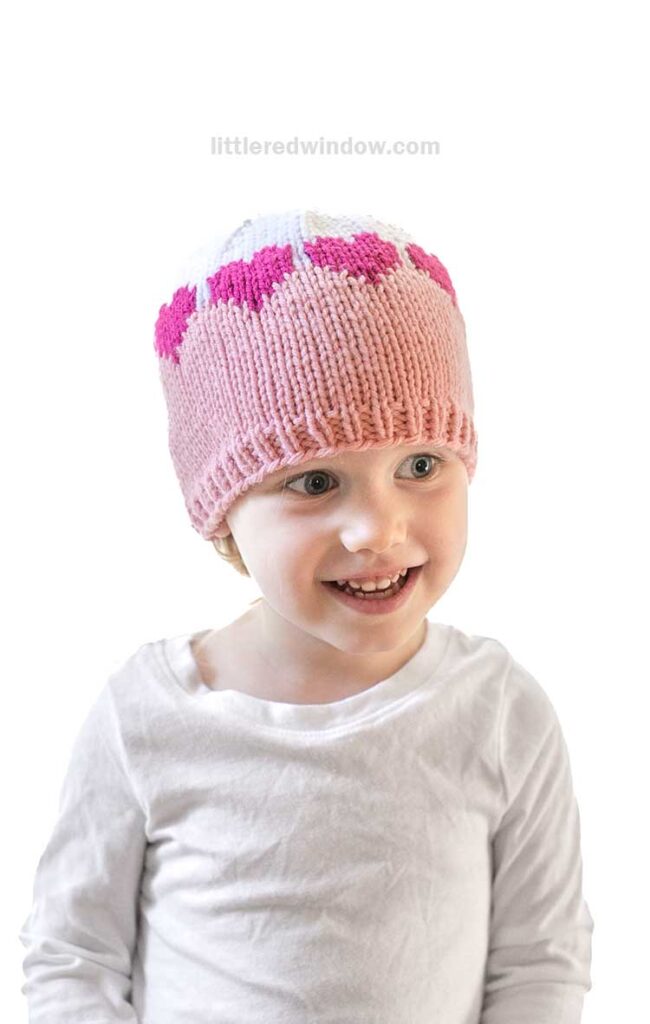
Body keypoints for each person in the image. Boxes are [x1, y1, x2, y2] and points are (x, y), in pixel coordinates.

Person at [18, 209, 595, 1022]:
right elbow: (73, 960)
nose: (378, 529)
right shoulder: (147, 717)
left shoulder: (499, 712)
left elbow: (540, 963)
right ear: (222, 515)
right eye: (315, 483)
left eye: (421, 465)